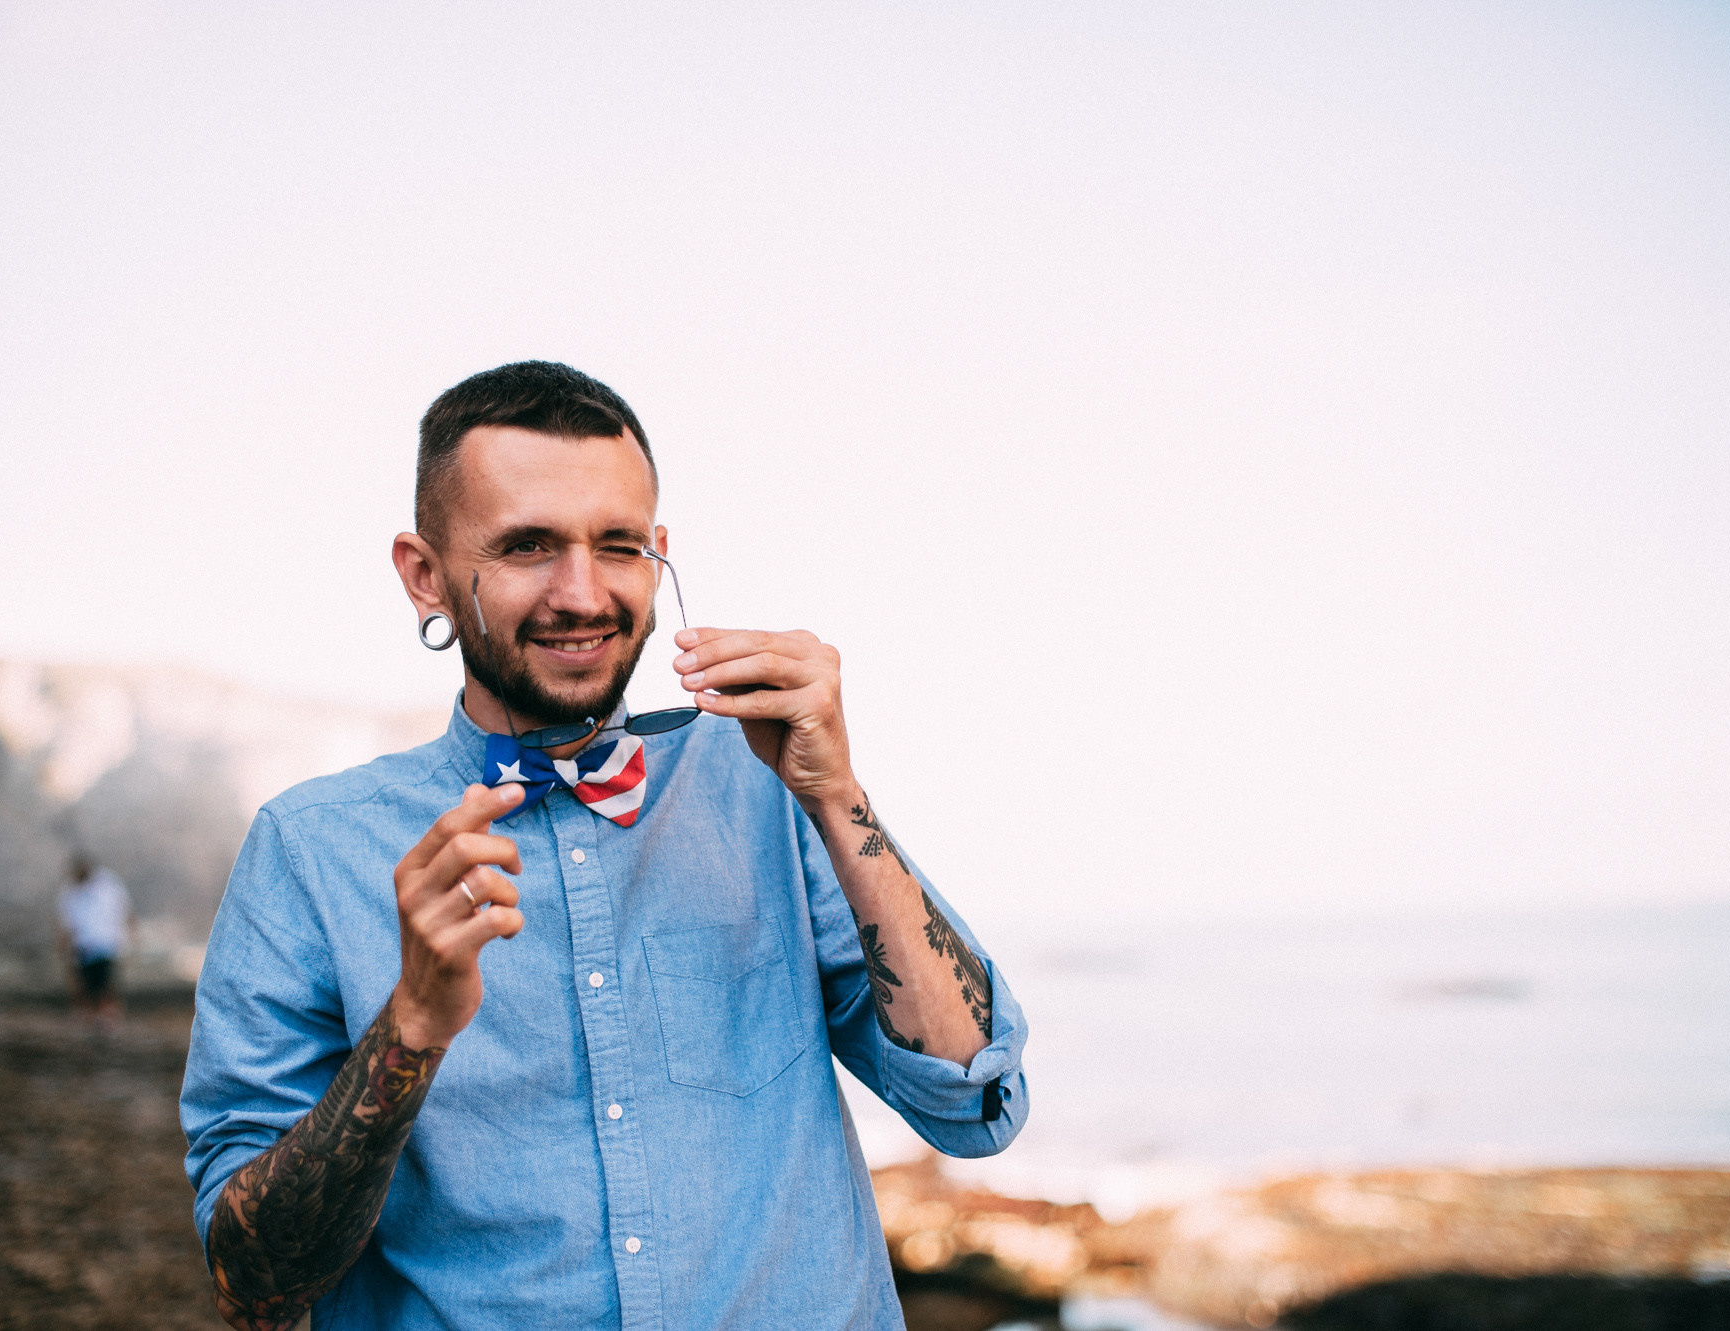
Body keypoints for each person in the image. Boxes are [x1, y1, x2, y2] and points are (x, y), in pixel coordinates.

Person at [180, 362, 1028, 1331]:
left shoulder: (763, 783)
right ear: (424, 574)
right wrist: (410, 1023)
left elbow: (974, 1106)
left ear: (657, 552)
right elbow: (252, 1280)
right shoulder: (308, 850)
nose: (581, 593)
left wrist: (837, 797)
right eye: (527, 545)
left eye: (616, 545)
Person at [58, 854, 130, 1027]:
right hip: (83, 947)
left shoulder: (108, 885)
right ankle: (92, 1021)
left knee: (105, 986)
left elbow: (124, 909)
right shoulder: (69, 891)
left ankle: (108, 1021)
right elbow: (65, 922)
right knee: (87, 987)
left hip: (106, 944)